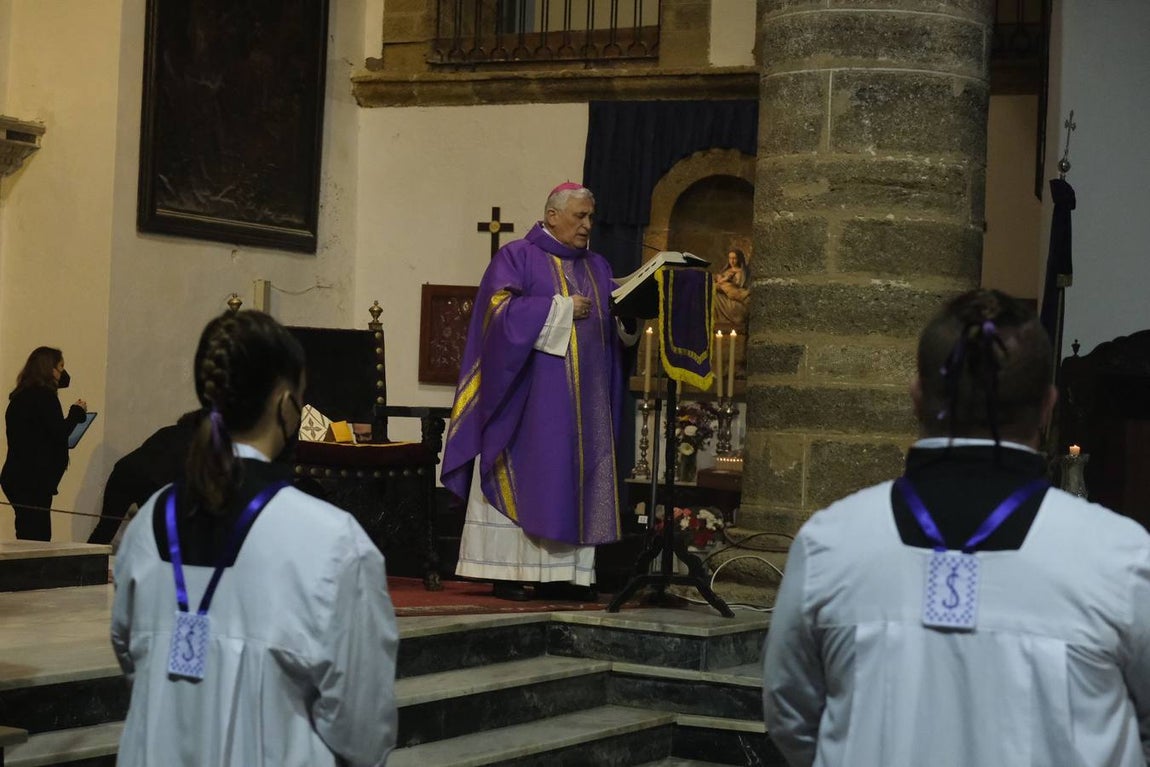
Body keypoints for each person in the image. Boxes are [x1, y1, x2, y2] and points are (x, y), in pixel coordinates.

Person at [762, 289, 1150, 767]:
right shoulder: (1122, 557)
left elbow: (794, 721)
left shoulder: (830, 545)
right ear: (1048, 407)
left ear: (917, 397)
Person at [111, 310, 398, 767]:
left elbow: (130, 657)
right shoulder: (330, 539)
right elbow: (362, 725)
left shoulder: (149, 522)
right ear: (287, 404)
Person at [441, 183, 639, 601]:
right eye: (579, 216)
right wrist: (560, 309)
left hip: (583, 408)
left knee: (574, 475)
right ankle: (509, 572)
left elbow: (614, 330)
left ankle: (567, 575)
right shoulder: (517, 256)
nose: (587, 225)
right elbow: (496, 315)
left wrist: (630, 317)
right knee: (529, 472)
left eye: (590, 217)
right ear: (552, 216)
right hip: (528, 404)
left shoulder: (598, 267)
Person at [1, 346, 87, 541]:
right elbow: (59, 433)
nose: (63, 373)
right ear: (49, 369)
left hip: (18, 477)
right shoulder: (44, 397)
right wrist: (76, 413)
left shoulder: (21, 396)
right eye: (60, 367)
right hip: (32, 480)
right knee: (37, 539)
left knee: (27, 534)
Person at [88, 410, 201, 546]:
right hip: (152, 481)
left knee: (106, 527)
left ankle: (81, 564)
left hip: (123, 472)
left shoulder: (166, 431)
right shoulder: (196, 442)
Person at [714, 248, 750, 331]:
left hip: (734, 297)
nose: (732, 261)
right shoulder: (726, 271)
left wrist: (726, 281)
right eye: (730, 258)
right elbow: (719, 281)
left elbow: (740, 287)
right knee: (713, 296)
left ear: (739, 259)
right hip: (723, 294)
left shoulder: (742, 272)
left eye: (734, 258)